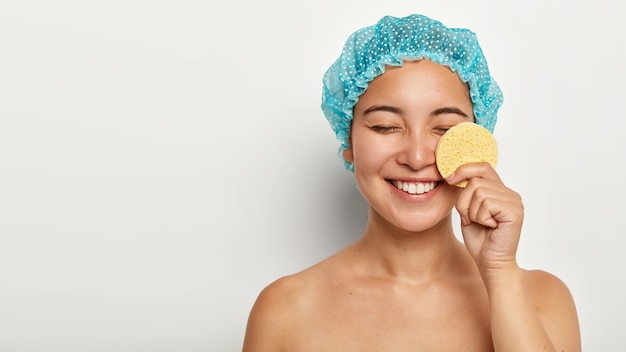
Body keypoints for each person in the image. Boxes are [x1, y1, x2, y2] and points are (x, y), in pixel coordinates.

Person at [242, 14, 581, 351]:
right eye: (385, 126)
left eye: (445, 129)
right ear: (349, 142)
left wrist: (501, 273)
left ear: (476, 144)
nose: (417, 157)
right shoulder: (285, 310)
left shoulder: (539, 299)